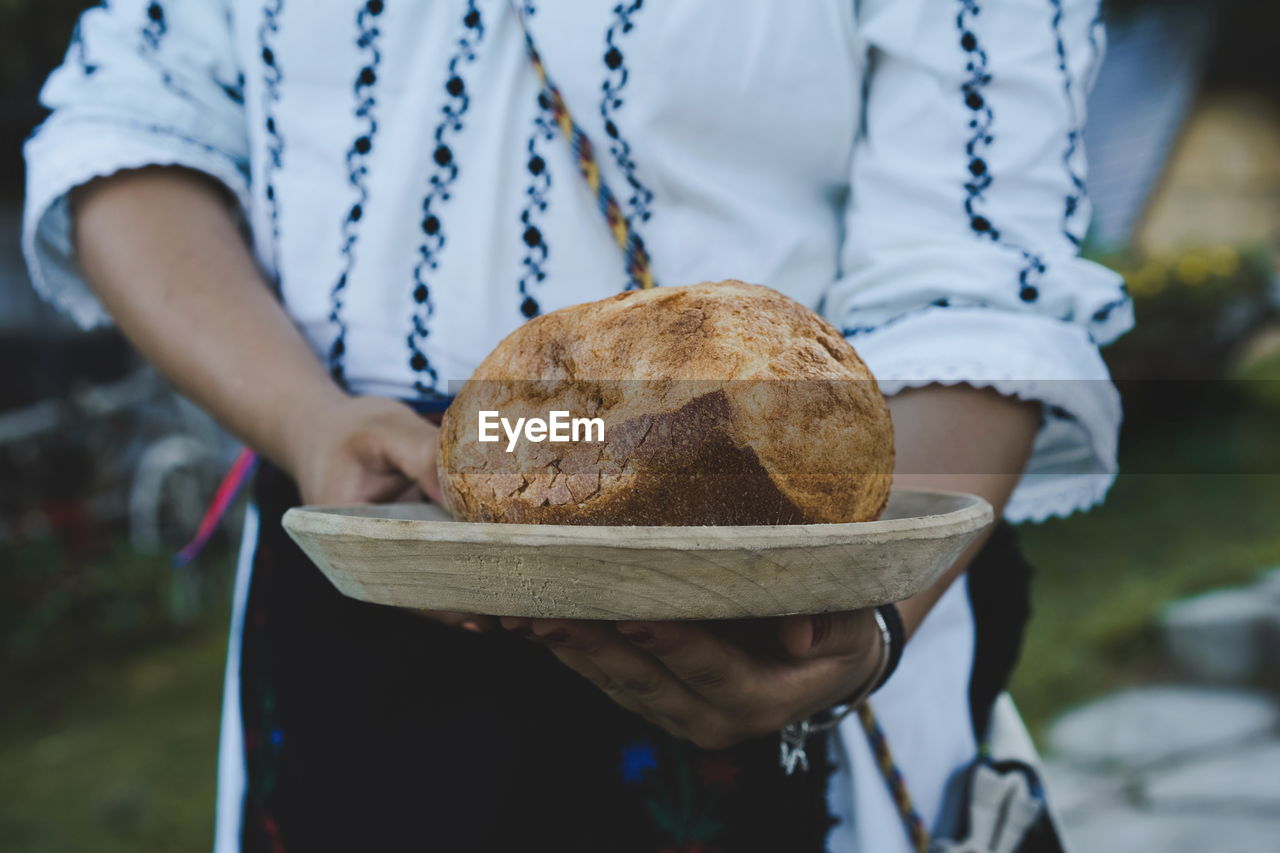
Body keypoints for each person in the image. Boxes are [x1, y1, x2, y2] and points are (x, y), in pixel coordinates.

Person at [23, 1, 1131, 850]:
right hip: (364, 545)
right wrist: (310, 419)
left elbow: (979, 277)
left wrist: (870, 613)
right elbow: (133, 123)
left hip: (771, 564)